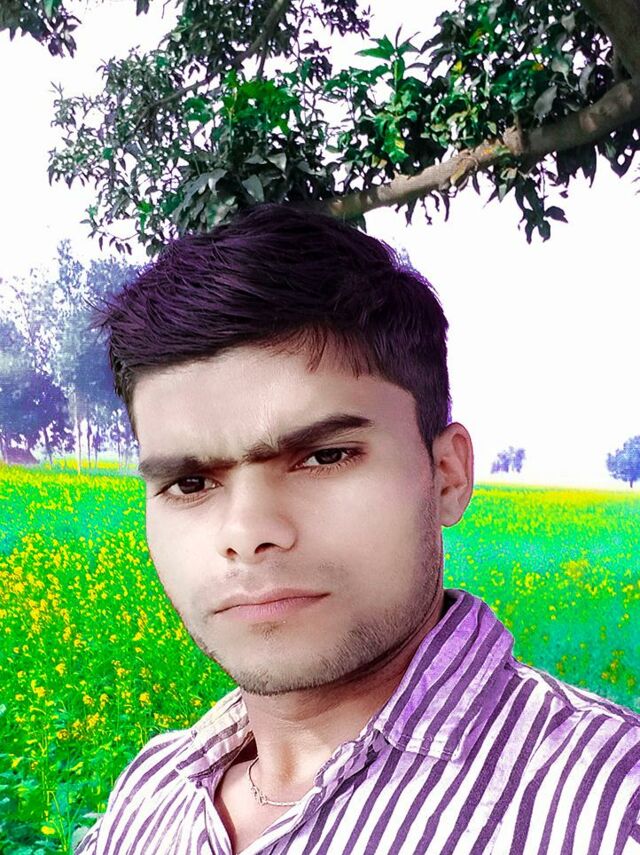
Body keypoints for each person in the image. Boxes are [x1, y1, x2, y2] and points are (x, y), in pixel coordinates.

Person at [74, 203, 640, 855]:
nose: (247, 532)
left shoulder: (608, 809)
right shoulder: (149, 792)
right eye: (191, 483)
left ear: (447, 476)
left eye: (324, 456)